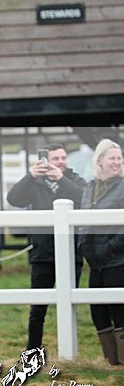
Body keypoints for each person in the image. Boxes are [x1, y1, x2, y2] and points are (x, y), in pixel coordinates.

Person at [6, 143, 86, 350]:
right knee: (37, 308)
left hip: (71, 253)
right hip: (43, 253)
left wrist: (62, 178)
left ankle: (70, 352)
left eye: (63, 158)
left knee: (70, 306)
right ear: (44, 161)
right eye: (55, 159)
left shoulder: (74, 179)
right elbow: (13, 199)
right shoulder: (34, 182)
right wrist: (30, 176)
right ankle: (33, 351)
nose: (60, 162)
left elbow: (83, 199)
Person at [77, 139, 124, 365]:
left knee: (120, 310)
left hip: (117, 258)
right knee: (98, 312)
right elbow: (83, 219)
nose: (117, 162)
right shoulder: (89, 187)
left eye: (119, 157)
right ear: (100, 161)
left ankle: (122, 363)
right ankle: (110, 363)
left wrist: (113, 246)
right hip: (94, 261)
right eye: (112, 158)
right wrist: (82, 245)